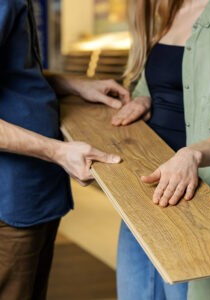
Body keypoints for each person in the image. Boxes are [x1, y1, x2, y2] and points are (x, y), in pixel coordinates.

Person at [112, 0, 210, 299]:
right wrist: (145, 99)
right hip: (145, 189)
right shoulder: (168, 9)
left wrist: (191, 155)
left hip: (192, 195)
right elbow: (156, 83)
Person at [0, 0, 130, 299]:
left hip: (34, 193)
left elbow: (12, 72)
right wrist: (56, 151)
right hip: (10, 199)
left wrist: (72, 84)